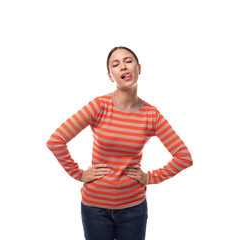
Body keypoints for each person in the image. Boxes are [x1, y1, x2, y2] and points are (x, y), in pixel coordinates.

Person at [46, 46, 193, 240]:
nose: (123, 67)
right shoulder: (99, 106)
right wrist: (78, 174)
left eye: (128, 61)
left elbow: (184, 157)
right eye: (116, 65)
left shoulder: (152, 115)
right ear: (110, 76)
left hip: (134, 209)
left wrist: (150, 177)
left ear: (139, 68)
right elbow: (56, 141)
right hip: (95, 209)